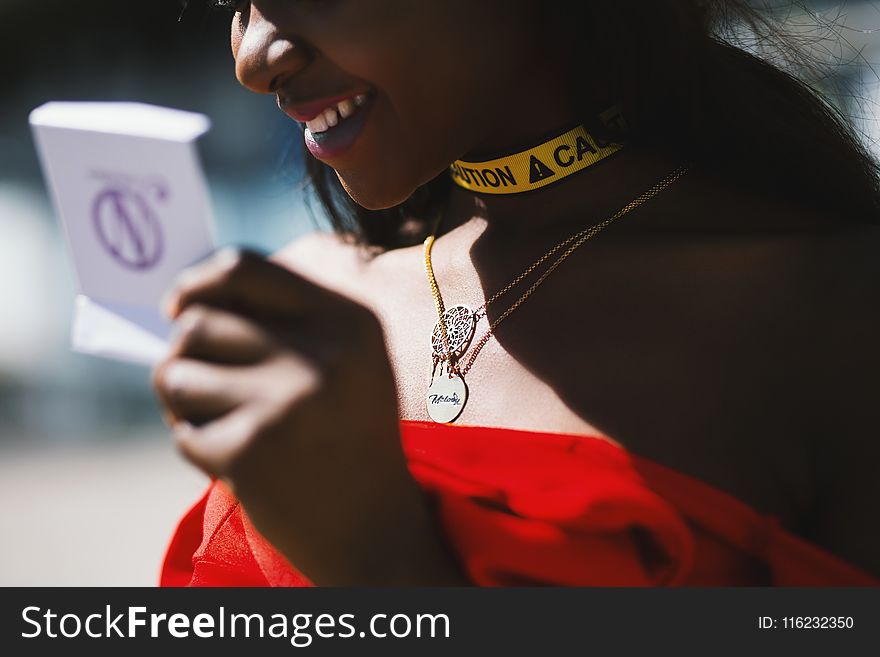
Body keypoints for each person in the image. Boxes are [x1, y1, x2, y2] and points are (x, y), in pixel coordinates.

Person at [155, 0, 880, 586]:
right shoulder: (301, 303)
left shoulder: (831, 314)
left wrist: (373, 562)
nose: (252, 59)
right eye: (238, 3)